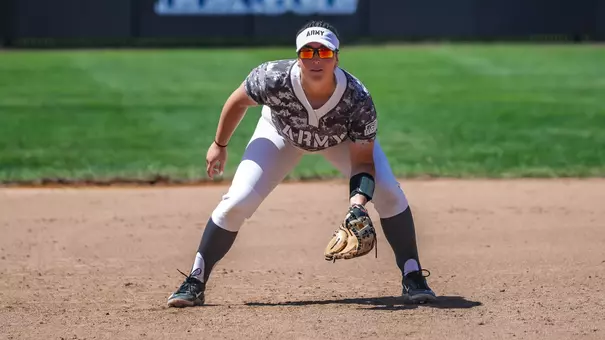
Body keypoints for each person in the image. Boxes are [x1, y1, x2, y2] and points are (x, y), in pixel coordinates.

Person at [166, 20, 437, 307]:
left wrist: (357, 204)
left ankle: (413, 275)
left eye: (325, 52)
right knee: (237, 201)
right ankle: (195, 279)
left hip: (338, 142)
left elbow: (362, 161)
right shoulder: (273, 77)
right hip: (280, 133)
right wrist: (219, 145)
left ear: (337, 57)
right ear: (298, 57)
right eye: (308, 53)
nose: (316, 59)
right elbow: (238, 101)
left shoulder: (357, 98)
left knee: (390, 194)